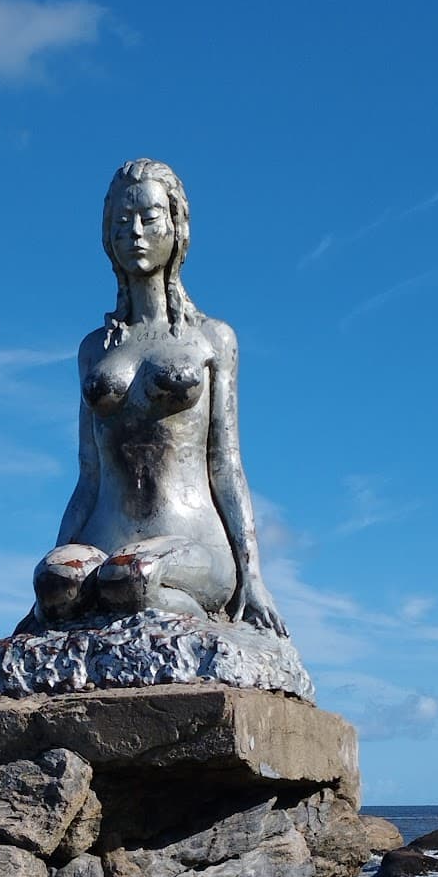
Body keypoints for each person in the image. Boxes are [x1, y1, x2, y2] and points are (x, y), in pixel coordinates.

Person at [32, 158, 287, 636]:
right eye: (122, 221)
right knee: (54, 582)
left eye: (150, 218)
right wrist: (46, 584)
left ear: (176, 225)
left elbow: (225, 463)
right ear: (107, 235)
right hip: (104, 539)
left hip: (190, 543)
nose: (136, 232)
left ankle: (199, 625)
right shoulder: (94, 349)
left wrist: (252, 577)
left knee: (133, 579)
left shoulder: (212, 338)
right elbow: (89, 475)